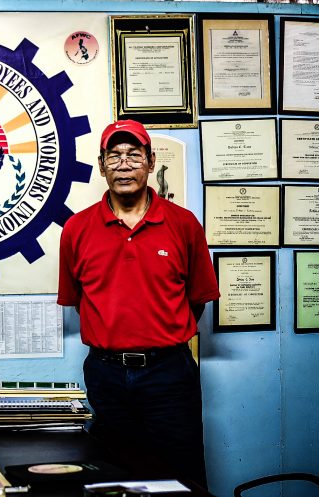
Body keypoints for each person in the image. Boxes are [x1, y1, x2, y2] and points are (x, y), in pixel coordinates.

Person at [57, 119, 220, 488]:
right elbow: (81, 302)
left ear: (150, 161)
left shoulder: (184, 224)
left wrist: (158, 337)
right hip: (106, 375)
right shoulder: (77, 229)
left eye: (134, 155)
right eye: (114, 156)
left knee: (182, 478)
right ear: (101, 166)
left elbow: (197, 300)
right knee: (113, 479)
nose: (124, 164)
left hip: (169, 374)